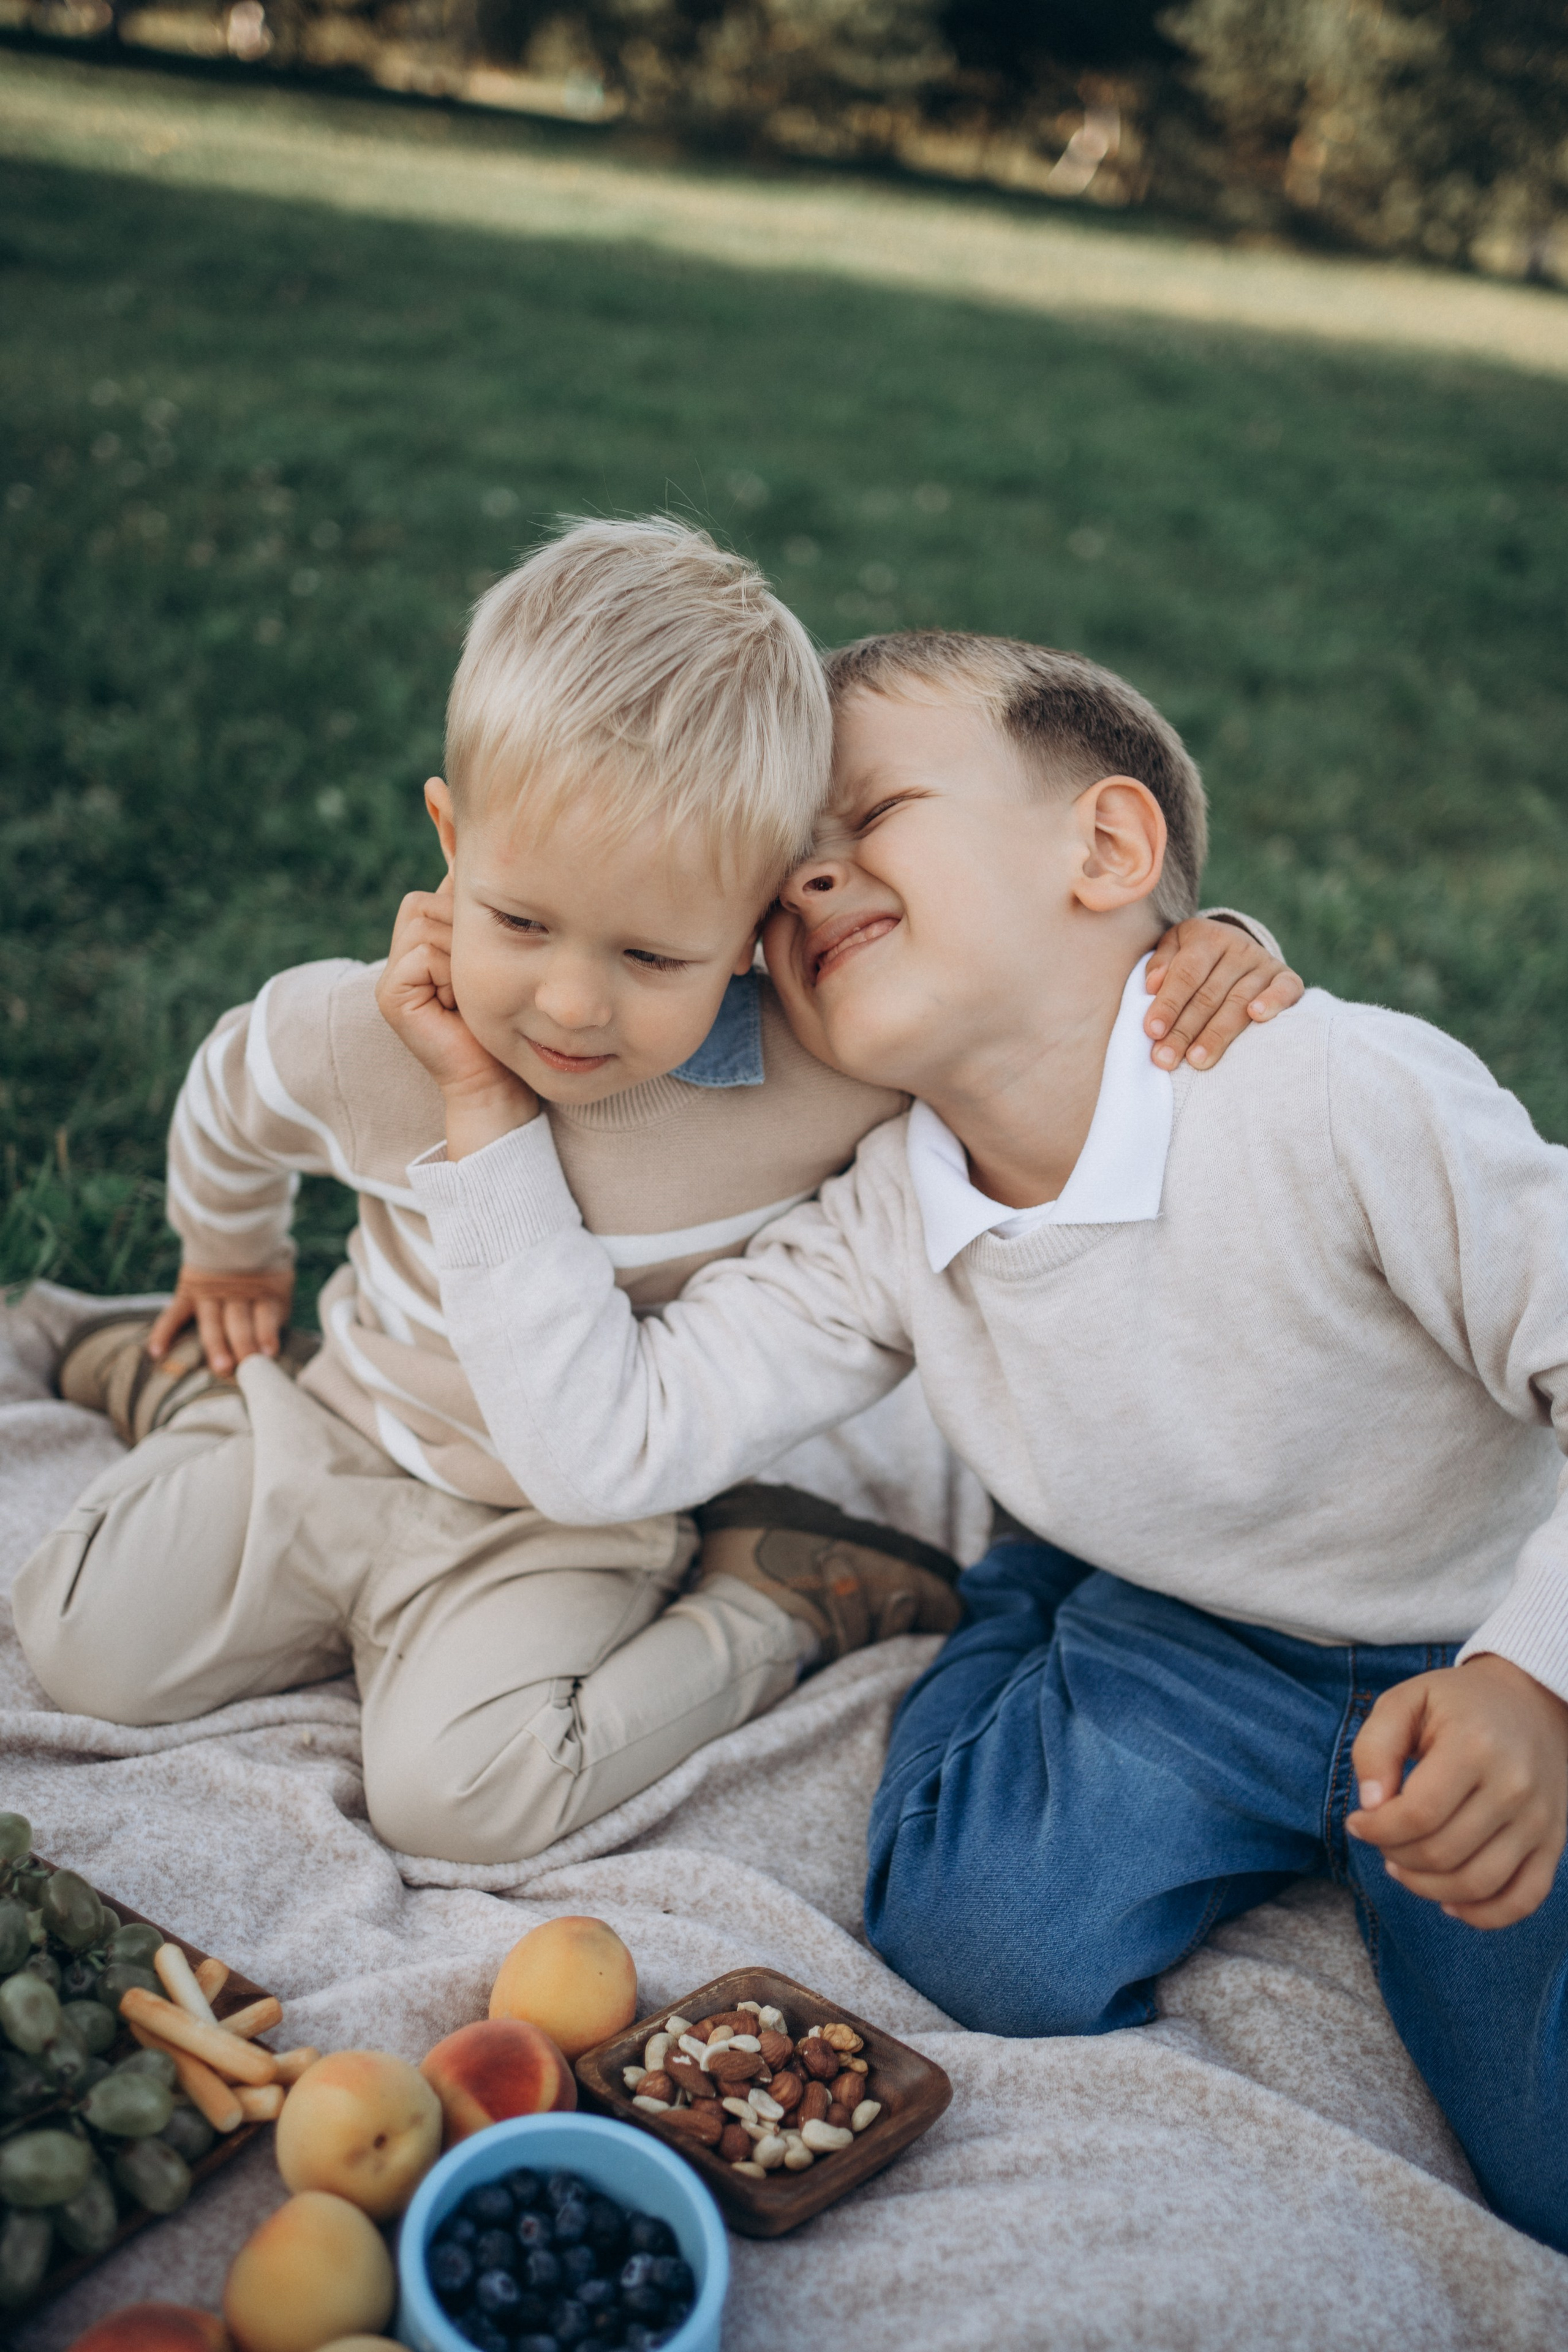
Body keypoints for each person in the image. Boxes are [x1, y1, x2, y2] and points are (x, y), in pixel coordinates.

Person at [383, 626, 1568, 2254]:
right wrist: (485, 1118)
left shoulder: (1333, 1094)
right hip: (1190, 1635)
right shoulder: (886, 1213)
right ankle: (1026, 1584)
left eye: (867, 815)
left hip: (1492, 1620)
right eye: (781, 869)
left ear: (1106, 845)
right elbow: (606, 1446)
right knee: (984, 1942)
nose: (809, 881)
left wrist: (1534, 1675)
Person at [12, 526, 1290, 1867]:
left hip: (575, 1513)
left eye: (649, 954)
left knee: (463, 1805)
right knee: (81, 1641)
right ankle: (184, 1383)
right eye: (518, 922)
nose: (570, 1003)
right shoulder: (366, 1032)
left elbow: (1045, 1028)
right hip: (342, 1426)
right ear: (452, 837)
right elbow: (231, 1094)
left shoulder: (818, 1071)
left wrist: (1205, 948)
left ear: (752, 929)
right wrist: (229, 1259)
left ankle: (780, 1598)